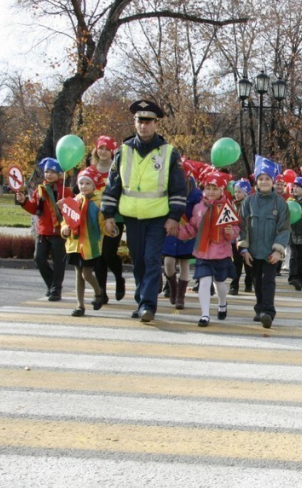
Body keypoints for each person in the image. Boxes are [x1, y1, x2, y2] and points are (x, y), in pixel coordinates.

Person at [101, 99, 188, 322]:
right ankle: (141, 300)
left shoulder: (169, 153)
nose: (144, 125)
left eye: (148, 121)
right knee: (138, 261)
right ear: (135, 122)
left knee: (151, 260)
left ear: (156, 124)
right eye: (140, 121)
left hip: (158, 217)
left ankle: (148, 305)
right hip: (132, 217)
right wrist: (108, 215)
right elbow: (113, 186)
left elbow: (179, 188)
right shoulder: (123, 151)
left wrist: (174, 217)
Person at [176, 171, 239, 327]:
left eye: (215, 188)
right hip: (203, 252)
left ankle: (222, 303)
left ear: (221, 190)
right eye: (208, 188)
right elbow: (192, 228)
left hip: (221, 253)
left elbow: (234, 228)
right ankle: (205, 315)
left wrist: (231, 232)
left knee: (220, 283)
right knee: (204, 281)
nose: (211, 191)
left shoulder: (226, 207)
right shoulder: (198, 207)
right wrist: (178, 231)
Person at [238, 157, 291, 329]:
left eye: (267, 178)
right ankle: (259, 308)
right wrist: (244, 249)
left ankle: (268, 312)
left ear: (273, 181)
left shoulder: (280, 203)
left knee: (268, 281)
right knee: (257, 282)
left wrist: (278, 250)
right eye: (261, 179)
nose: (264, 182)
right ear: (256, 181)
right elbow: (242, 226)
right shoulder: (249, 201)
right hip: (253, 252)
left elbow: (284, 229)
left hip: (270, 253)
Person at [15, 157, 73, 301]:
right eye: (47, 172)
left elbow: (72, 211)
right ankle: (52, 284)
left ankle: (56, 289)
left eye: (52, 172)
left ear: (59, 174)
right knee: (39, 259)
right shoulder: (39, 190)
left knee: (59, 262)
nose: (49, 175)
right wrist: (23, 201)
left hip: (59, 232)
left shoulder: (65, 191)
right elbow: (34, 209)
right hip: (43, 232)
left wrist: (65, 206)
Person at [61, 167, 107, 316]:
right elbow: (66, 221)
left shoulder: (98, 203)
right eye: (81, 183)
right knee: (78, 274)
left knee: (86, 274)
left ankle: (98, 291)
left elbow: (103, 224)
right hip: (75, 244)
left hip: (90, 245)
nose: (84, 186)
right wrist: (65, 229)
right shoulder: (74, 201)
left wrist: (109, 229)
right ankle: (79, 305)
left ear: (94, 185)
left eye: (88, 183)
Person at [89, 136, 127, 303]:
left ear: (112, 151)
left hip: (114, 217)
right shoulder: (90, 171)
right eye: (101, 148)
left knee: (108, 254)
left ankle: (119, 278)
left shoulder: (118, 169)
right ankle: (101, 293)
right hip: (94, 218)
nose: (103, 152)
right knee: (98, 256)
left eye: (107, 149)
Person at [162, 160, 203, 310]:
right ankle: (172, 287)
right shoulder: (167, 187)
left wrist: (192, 226)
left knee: (184, 264)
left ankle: (180, 296)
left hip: (187, 233)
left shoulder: (196, 194)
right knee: (168, 262)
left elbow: (199, 212)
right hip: (170, 230)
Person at [229, 178, 253, 294]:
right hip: (235, 238)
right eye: (235, 191)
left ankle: (249, 283)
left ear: (246, 192)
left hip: (248, 237)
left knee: (249, 263)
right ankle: (234, 285)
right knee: (236, 263)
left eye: (239, 192)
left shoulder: (250, 205)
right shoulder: (232, 205)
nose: (236, 194)